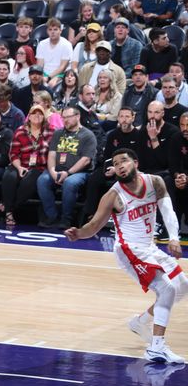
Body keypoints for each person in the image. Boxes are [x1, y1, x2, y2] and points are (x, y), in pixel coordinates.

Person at [66, 148, 186, 364]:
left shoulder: (155, 182)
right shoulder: (113, 195)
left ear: (136, 163)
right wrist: (79, 233)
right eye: (116, 163)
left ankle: (140, 322)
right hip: (128, 250)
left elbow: (168, 210)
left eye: (124, 161)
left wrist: (174, 238)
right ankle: (156, 348)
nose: (120, 166)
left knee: (181, 285)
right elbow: (94, 226)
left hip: (149, 247)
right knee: (167, 288)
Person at [37, 105, 97, 228]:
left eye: (68, 117)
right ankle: (52, 216)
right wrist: (52, 171)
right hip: (58, 170)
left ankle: (66, 219)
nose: (65, 120)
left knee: (70, 183)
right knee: (42, 180)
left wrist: (68, 173)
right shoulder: (58, 133)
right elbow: (52, 154)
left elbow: (85, 160)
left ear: (77, 116)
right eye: (63, 117)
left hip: (79, 172)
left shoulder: (88, 135)